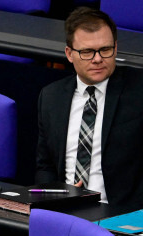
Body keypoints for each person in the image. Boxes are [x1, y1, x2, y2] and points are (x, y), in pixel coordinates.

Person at [36, 7, 143, 212]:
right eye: (87, 52)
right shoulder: (51, 97)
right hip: (65, 211)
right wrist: (55, 195)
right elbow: (45, 166)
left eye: (105, 49)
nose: (97, 59)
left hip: (122, 216)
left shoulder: (138, 91)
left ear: (116, 48)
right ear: (69, 54)